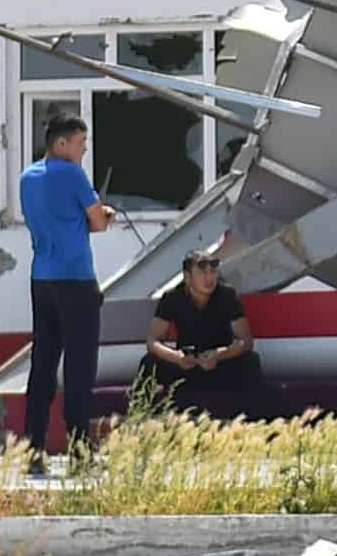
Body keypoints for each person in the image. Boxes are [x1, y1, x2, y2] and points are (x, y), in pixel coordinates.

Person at [17, 113, 116, 468]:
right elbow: (97, 222)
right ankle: (79, 450)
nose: (84, 150)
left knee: (42, 365)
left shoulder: (28, 177)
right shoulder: (71, 173)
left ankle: (33, 448)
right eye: (80, 143)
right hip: (75, 278)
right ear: (61, 143)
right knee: (78, 368)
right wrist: (105, 213)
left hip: (41, 278)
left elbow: (56, 219)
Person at [137, 250, 262, 417]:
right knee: (148, 363)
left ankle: (255, 423)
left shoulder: (227, 295)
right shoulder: (172, 297)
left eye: (212, 272)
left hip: (219, 363)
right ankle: (140, 420)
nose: (209, 278)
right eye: (202, 273)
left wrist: (219, 355)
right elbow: (153, 341)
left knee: (251, 362)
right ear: (188, 277)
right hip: (187, 364)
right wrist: (177, 357)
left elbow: (245, 341)